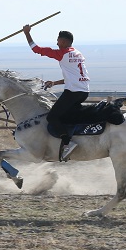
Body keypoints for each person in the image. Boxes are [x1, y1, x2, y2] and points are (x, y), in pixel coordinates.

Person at [23, 24, 90, 161]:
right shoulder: (77, 53)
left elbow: (36, 49)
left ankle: (67, 143)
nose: (56, 43)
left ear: (64, 42)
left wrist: (27, 33)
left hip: (73, 92)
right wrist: (54, 83)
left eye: (58, 40)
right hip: (84, 91)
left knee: (52, 117)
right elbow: (72, 77)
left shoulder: (62, 53)